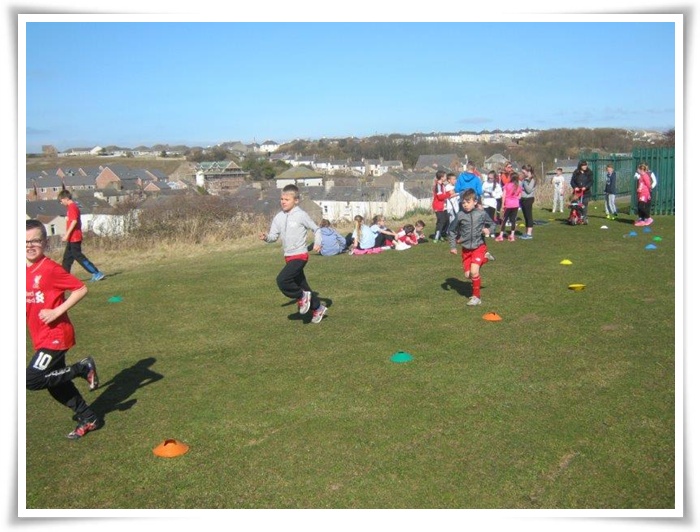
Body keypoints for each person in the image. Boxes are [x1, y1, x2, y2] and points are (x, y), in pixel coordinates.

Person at [25, 218, 102, 440]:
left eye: (35, 240)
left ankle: (82, 368)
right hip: (41, 336)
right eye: (25, 241)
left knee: (33, 379)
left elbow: (80, 289)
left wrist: (56, 312)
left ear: (45, 242)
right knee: (56, 384)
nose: (30, 245)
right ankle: (89, 418)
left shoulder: (50, 269)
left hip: (56, 335)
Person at [259, 184, 327, 323]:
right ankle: (318, 308)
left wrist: (317, 242)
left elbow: (317, 229)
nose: (283, 202)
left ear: (296, 200)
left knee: (282, 280)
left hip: (300, 255)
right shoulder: (278, 217)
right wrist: (266, 237)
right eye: (282, 199)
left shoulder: (301, 215)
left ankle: (301, 296)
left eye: (287, 199)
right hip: (288, 257)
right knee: (303, 286)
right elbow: (273, 237)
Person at [448, 189, 494, 307]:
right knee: (468, 275)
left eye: (468, 202)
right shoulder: (460, 215)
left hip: (479, 246)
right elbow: (451, 230)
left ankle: (476, 297)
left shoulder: (481, 213)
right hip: (466, 249)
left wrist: (489, 230)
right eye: (463, 202)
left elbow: (493, 224)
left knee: (474, 272)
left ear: (475, 202)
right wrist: (453, 246)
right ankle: (485, 258)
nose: (465, 205)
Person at [57, 190, 105, 281]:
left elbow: (74, 221)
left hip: (75, 237)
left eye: (61, 200)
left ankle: (96, 273)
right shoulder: (70, 208)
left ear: (66, 198)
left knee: (78, 256)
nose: (61, 203)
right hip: (71, 238)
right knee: (67, 258)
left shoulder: (72, 207)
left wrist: (67, 235)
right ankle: (64, 278)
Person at [495, 171, 522, 242]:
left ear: (511, 178)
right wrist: (514, 198)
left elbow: (503, 195)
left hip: (508, 205)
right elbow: (519, 197)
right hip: (515, 205)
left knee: (504, 220)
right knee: (513, 220)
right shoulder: (518, 187)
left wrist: (502, 205)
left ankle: (501, 236)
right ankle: (512, 236)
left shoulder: (507, 185)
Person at [431, 171, 451, 242]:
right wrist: (449, 194)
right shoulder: (438, 185)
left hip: (443, 206)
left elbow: (444, 194)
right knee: (441, 221)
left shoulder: (442, 185)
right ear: (441, 177)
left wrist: (449, 193)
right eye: (445, 176)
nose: (446, 177)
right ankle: (436, 237)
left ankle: (441, 234)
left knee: (447, 221)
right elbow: (440, 197)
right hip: (438, 207)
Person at [518, 164, 537, 240]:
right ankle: (526, 232)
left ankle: (529, 234)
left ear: (528, 171)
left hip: (528, 199)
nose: (522, 173)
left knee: (529, 216)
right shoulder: (524, 179)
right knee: (525, 217)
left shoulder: (532, 179)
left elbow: (528, 190)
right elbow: (520, 187)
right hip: (523, 199)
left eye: (523, 172)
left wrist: (524, 181)